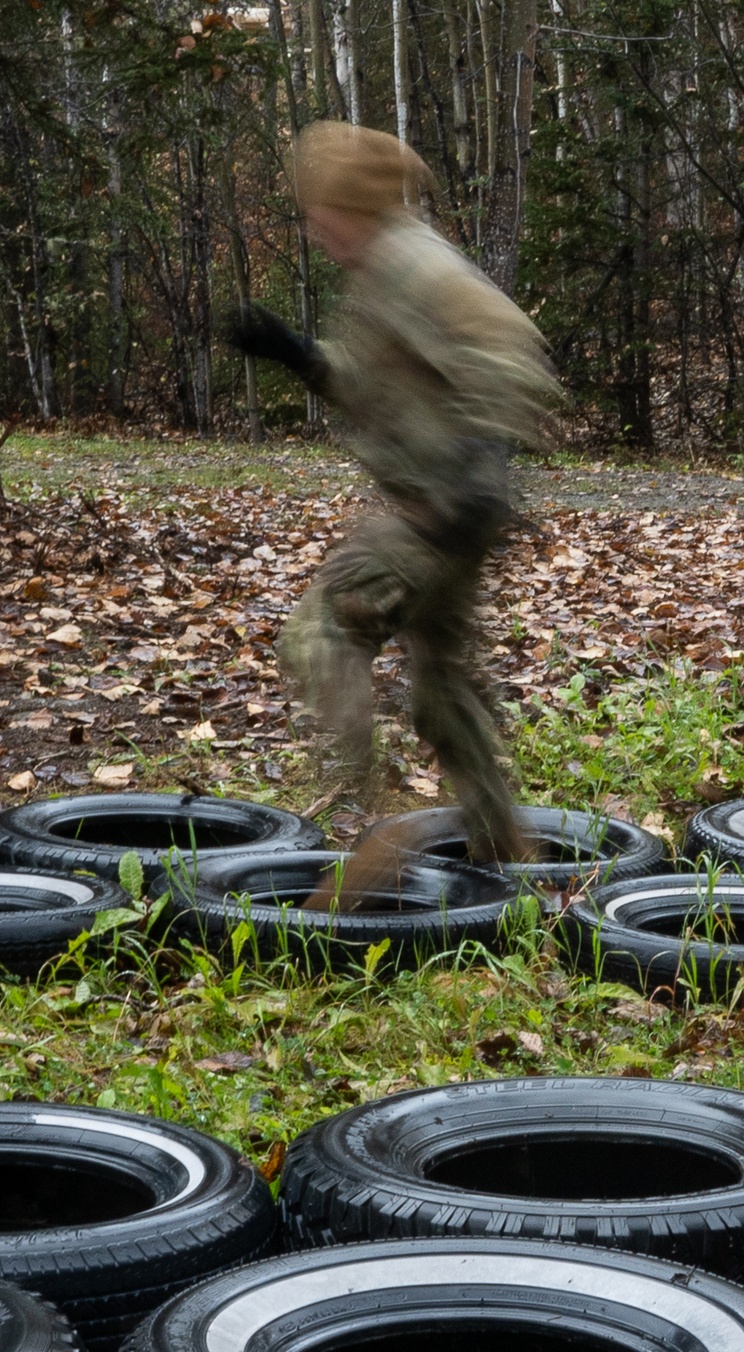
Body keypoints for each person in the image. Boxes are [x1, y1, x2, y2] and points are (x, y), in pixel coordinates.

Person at [229, 120, 560, 873]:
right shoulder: (383, 268)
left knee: (318, 635)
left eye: (320, 211)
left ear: (353, 207)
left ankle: (373, 819)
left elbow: (507, 347)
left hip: (443, 508)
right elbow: (378, 384)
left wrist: (481, 465)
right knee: (442, 688)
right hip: (448, 508)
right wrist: (300, 356)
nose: (313, 227)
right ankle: (504, 850)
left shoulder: (414, 263)